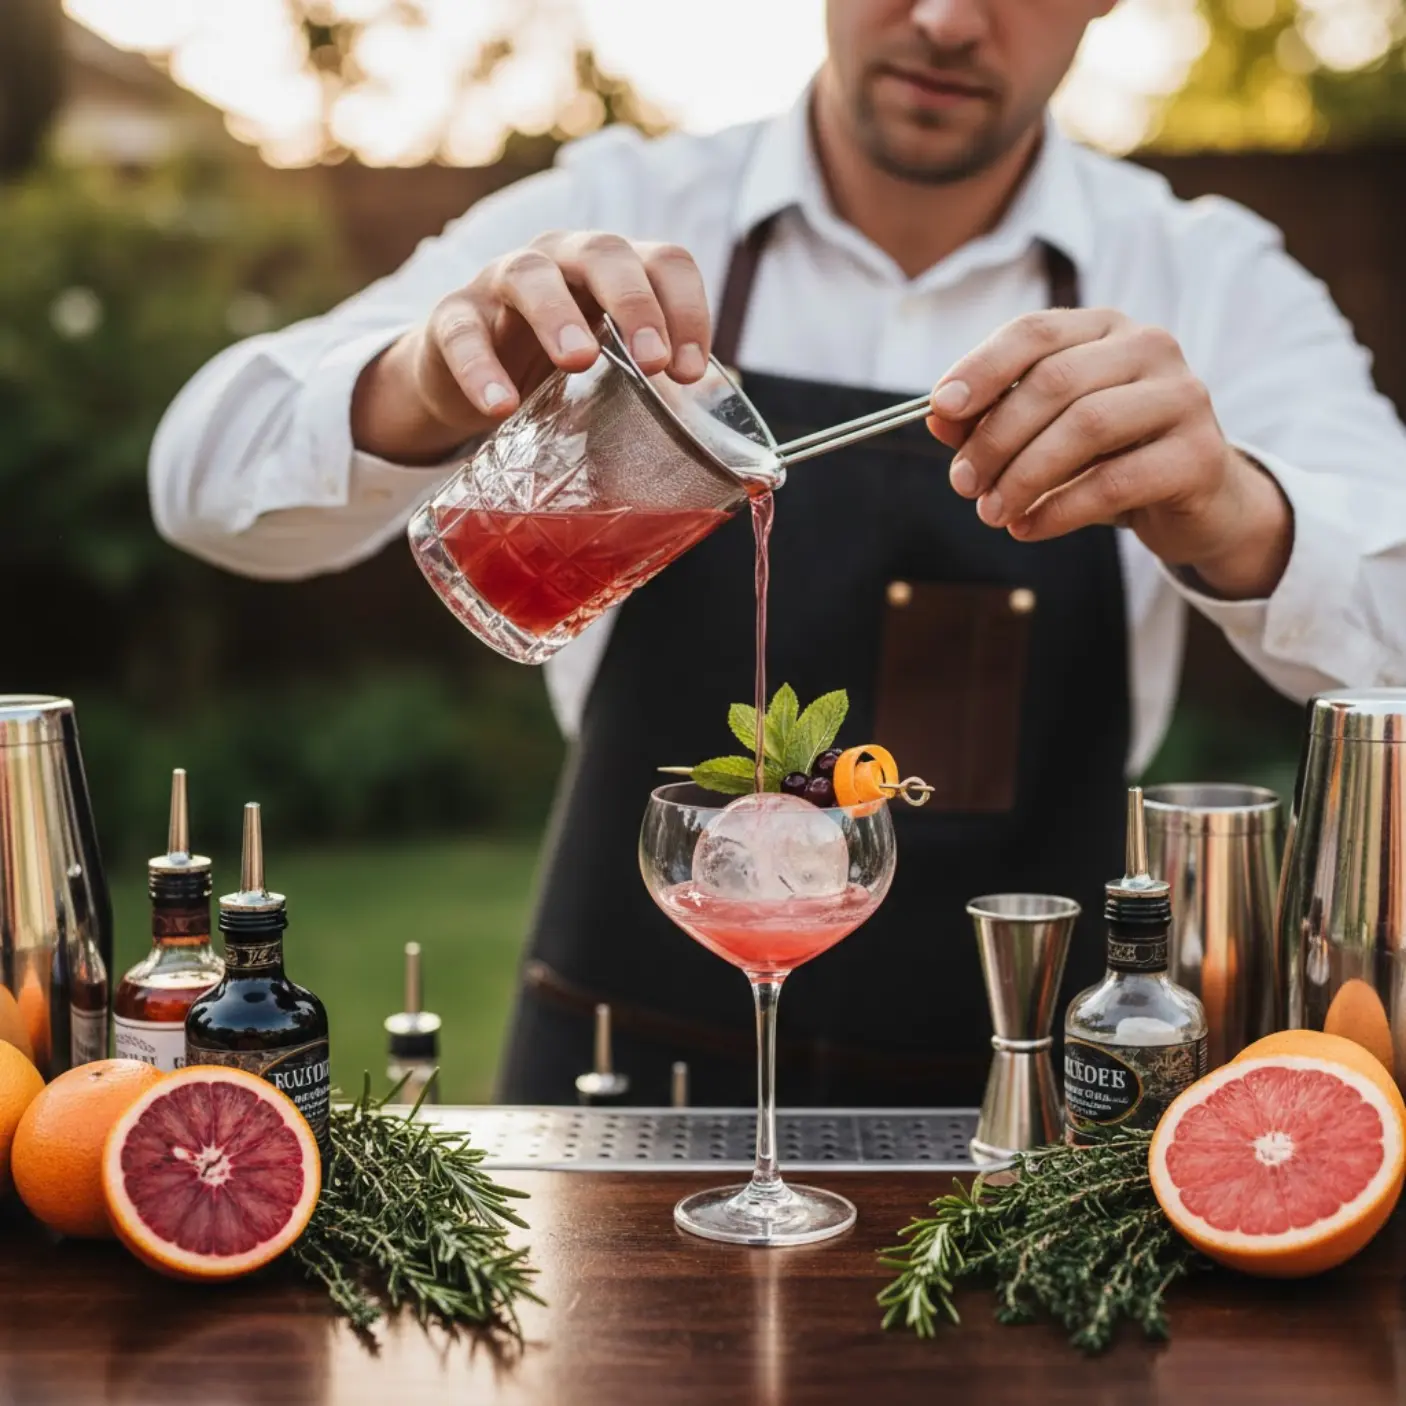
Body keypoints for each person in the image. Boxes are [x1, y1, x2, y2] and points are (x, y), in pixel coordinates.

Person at [151, 0, 1406, 1107]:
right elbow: (199, 478)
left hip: (1034, 1085)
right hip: (620, 1055)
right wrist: (428, 378)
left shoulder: (1203, 273)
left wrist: (1235, 511)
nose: (946, 18)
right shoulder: (622, 208)